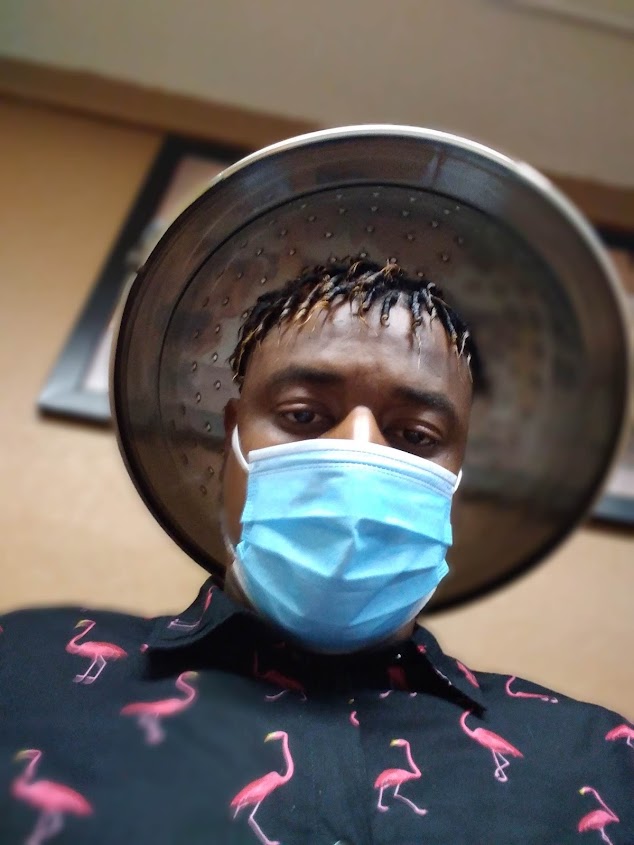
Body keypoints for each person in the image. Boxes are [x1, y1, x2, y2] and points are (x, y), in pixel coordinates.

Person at [1, 258, 632, 845]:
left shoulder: (598, 756)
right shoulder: (24, 672)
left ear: (456, 476)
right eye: (303, 416)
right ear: (232, 441)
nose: (358, 454)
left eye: (415, 435)